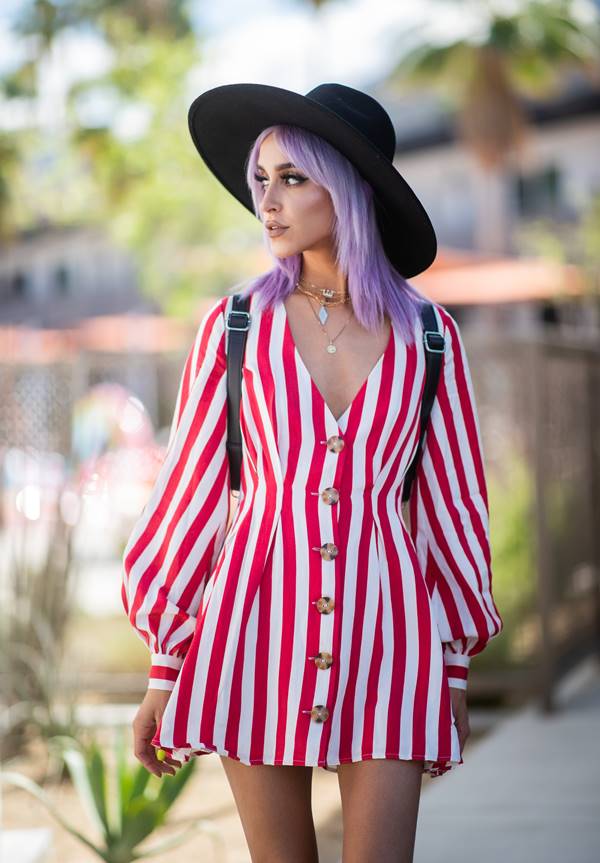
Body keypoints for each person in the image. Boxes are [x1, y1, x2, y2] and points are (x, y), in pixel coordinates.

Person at [121, 82, 504, 863]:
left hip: (390, 634)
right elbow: (191, 497)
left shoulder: (431, 338)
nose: (268, 200)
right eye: (261, 179)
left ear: (350, 188)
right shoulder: (232, 329)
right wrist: (166, 664)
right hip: (250, 624)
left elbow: (452, 506)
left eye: (293, 177)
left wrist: (454, 662)